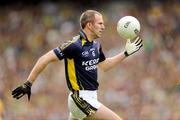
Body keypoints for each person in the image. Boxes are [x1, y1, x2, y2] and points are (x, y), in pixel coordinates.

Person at [12, 10, 142, 120]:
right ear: (90, 25)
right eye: (100, 23)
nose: (103, 26)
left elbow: (105, 65)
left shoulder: (96, 46)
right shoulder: (74, 45)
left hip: (90, 97)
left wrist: (125, 53)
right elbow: (45, 58)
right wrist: (28, 83)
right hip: (79, 98)